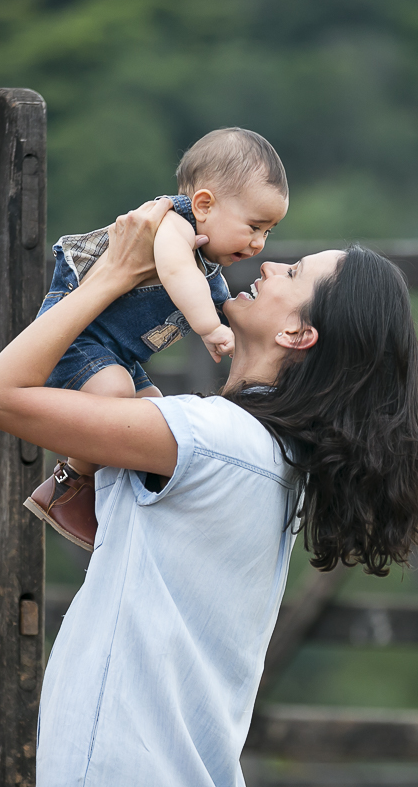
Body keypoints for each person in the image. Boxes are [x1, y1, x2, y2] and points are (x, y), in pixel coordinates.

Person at [0, 198, 418, 786]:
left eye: (294, 273)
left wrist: (111, 277)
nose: (271, 266)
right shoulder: (266, 456)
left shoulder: (209, 440)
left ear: (298, 333)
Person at [24, 128, 289, 552]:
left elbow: (217, 301)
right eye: (254, 226)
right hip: (78, 334)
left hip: (118, 352)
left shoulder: (210, 269)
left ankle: (119, 506)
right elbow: (177, 273)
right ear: (204, 204)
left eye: (269, 231)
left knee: (155, 409)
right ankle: (69, 485)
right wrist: (208, 327)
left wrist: (231, 338)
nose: (259, 243)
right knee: (115, 391)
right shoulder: (173, 225)